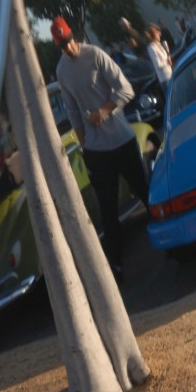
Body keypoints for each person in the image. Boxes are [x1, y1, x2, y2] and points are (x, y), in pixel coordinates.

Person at [52, 16, 150, 284]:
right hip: (97, 150)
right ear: (58, 46)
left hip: (121, 138)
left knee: (145, 192)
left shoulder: (94, 54)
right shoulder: (62, 71)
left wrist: (104, 110)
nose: (69, 48)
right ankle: (116, 268)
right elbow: (72, 112)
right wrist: (85, 146)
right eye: (63, 46)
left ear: (74, 37)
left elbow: (126, 89)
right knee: (108, 214)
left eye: (70, 42)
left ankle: (170, 240)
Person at [144, 22, 172, 95]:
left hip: (170, 74)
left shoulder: (159, 44)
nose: (160, 34)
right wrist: (167, 61)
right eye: (158, 32)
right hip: (165, 79)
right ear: (154, 34)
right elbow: (158, 64)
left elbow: (166, 57)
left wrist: (168, 56)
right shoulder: (151, 48)